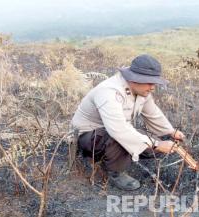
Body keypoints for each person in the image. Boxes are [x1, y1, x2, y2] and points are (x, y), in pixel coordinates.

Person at [71, 54, 185, 190]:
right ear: (134, 79)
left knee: (149, 142)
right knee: (119, 139)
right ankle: (115, 172)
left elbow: (152, 113)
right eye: (149, 82)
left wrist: (171, 132)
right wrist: (157, 145)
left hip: (111, 130)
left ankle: (123, 153)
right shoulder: (109, 92)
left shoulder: (141, 90)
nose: (153, 87)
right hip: (88, 136)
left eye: (154, 82)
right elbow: (118, 130)